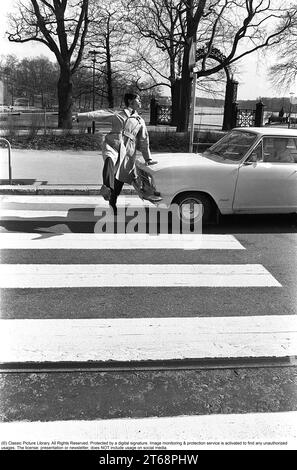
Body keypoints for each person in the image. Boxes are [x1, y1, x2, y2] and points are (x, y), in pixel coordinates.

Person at [75, 92, 162, 213]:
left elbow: (144, 141)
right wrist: (81, 116)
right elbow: (99, 114)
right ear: (131, 101)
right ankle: (107, 187)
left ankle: (112, 200)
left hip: (128, 151)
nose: (140, 101)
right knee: (109, 160)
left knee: (120, 178)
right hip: (113, 143)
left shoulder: (140, 121)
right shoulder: (118, 114)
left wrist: (148, 159)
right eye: (138, 99)